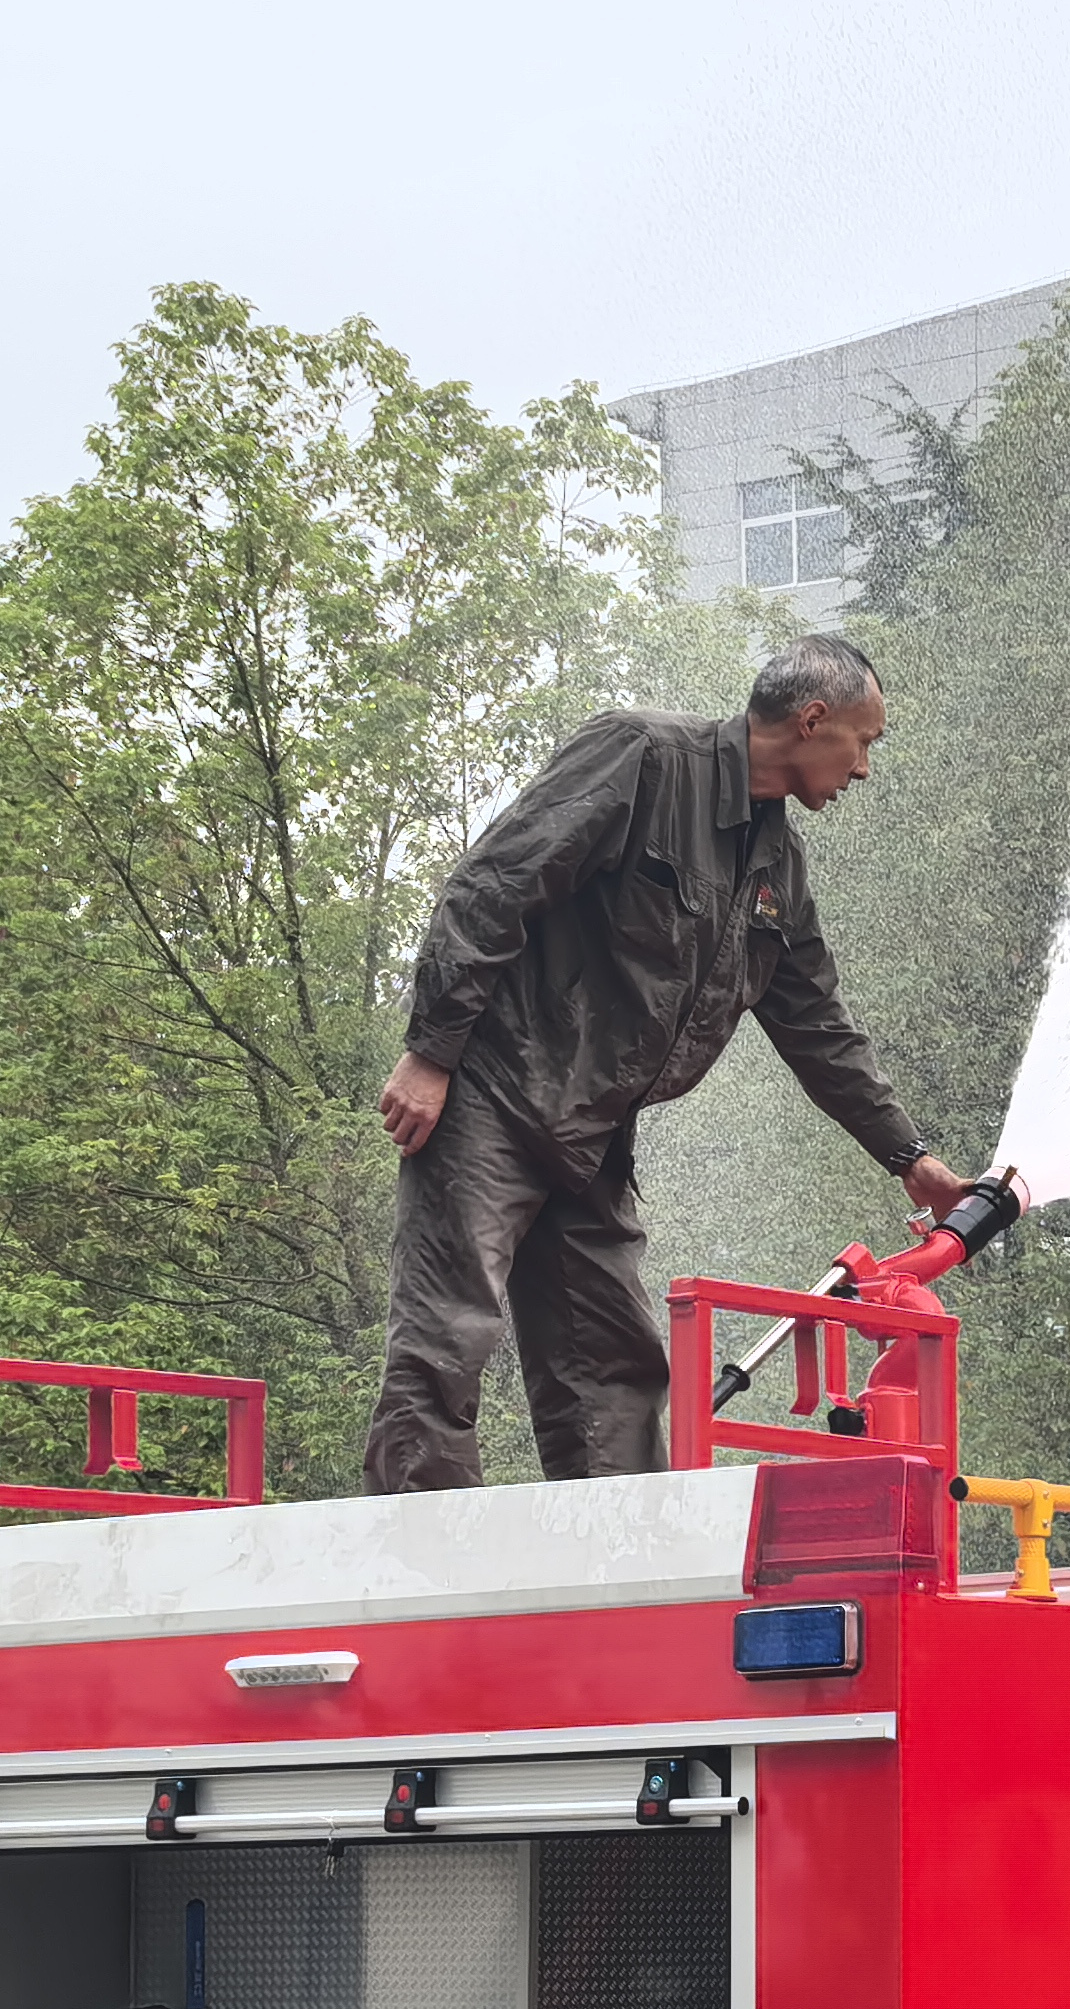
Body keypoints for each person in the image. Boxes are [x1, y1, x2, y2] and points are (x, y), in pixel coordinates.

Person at [362, 633, 965, 1492]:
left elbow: (818, 1025)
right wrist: (431, 1053)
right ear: (812, 719)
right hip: (492, 1097)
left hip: (592, 1138)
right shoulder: (641, 756)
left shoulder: (777, 867)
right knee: (448, 1333)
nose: (863, 769)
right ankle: (419, 1545)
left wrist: (909, 1157)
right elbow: (492, 886)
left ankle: (623, 1555)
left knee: (613, 1362)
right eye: (863, 742)